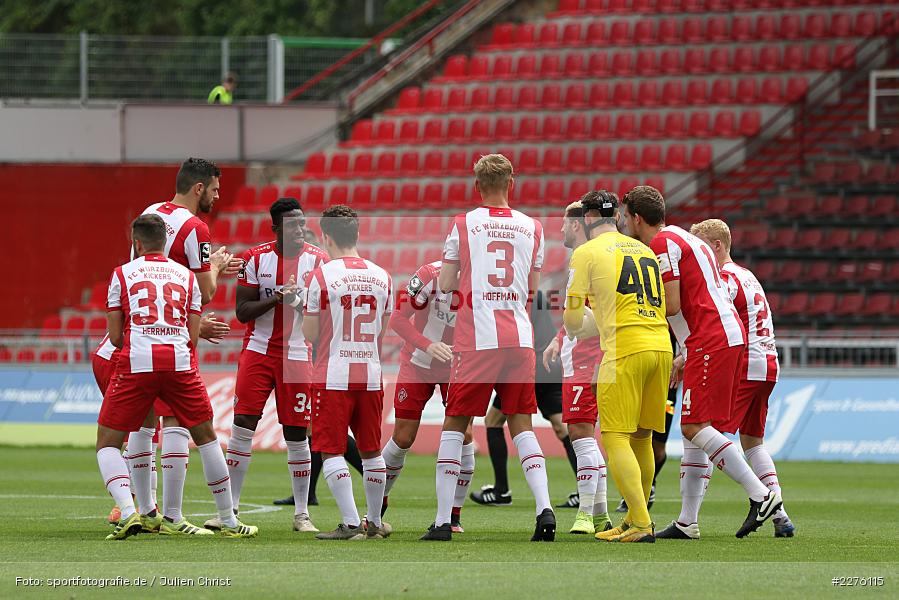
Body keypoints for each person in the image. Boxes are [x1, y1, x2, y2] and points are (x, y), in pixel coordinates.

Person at [622, 185, 782, 540]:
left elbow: (674, 304)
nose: (623, 222)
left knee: (694, 426)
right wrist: (686, 353)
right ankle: (687, 522)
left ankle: (761, 496)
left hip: (711, 338)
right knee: (696, 431)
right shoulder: (683, 237)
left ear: (636, 217)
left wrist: (634, 311)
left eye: (624, 216)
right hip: (718, 336)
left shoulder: (663, 244)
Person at [92, 157, 238, 533]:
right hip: (172, 339)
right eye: (216, 190)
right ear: (199, 188)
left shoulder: (151, 211)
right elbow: (204, 291)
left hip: (134, 335)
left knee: (141, 425)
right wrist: (218, 266)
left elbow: (139, 270)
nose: (218, 197)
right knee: (179, 423)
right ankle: (171, 514)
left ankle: (144, 510)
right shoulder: (196, 228)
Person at [421, 154, 554, 542]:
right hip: (519, 338)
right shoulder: (534, 228)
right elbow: (531, 290)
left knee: (456, 424)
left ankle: (444, 521)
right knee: (522, 425)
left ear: (476, 185)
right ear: (512, 183)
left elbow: (445, 284)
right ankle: (544, 509)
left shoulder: (463, 224)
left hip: (476, 340)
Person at [202, 198, 327, 534]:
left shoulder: (319, 261)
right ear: (276, 228)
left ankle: (302, 514)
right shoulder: (256, 258)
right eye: (292, 224)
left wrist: (298, 301)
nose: (300, 229)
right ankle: (232, 509)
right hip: (258, 351)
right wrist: (276, 297)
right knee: (243, 424)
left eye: (302, 223)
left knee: (297, 432)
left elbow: (325, 315)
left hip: (298, 354)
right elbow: (242, 312)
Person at [563, 190, 672, 543]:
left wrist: (588, 324)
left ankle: (640, 522)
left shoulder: (586, 253)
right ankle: (633, 518)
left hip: (624, 351)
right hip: (660, 348)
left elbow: (572, 318)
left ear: (589, 219)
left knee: (614, 438)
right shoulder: (643, 249)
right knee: (642, 437)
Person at [689, 219, 795, 538]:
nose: (697, 257)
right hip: (768, 362)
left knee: (705, 433)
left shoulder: (724, 278)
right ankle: (781, 516)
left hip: (745, 363)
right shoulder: (747, 275)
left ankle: (689, 519)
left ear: (717, 246)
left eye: (702, 248)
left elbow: (722, 320)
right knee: (753, 443)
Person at [303, 205, 393, 541]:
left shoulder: (321, 276)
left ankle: (351, 522)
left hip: (333, 373)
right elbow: (382, 329)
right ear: (356, 234)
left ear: (325, 237)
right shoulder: (382, 276)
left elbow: (310, 334)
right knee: (371, 450)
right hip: (370, 373)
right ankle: (373, 522)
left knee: (331, 449)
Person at [381, 259, 474, 533]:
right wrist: (428, 344)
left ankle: (453, 516)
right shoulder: (426, 276)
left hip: (458, 367)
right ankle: (376, 509)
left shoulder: (481, 280)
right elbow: (397, 319)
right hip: (417, 364)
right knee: (403, 438)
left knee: (465, 435)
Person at [469, 290, 579, 509]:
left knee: (493, 421)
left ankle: (502, 491)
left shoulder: (509, 294)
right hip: (552, 364)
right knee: (562, 426)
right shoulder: (538, 293)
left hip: (528, 365)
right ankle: (585, 490)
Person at [542, 200, 609, 535]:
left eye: (565, 224)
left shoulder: (587, 257)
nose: (560, 230)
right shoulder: (599, 255)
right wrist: (559, 337)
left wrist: (575, 333)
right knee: (591, 437)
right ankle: (600, 514)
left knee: (581, 433)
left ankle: (584, 513)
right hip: (589, 355)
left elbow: (594, 313)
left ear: (580, 224)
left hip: (586, 358)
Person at [616, 331, 679, 514]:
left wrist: (682, 356)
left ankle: (649, 484)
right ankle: (636, 493)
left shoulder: (671, 312)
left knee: (658, 448)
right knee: (633, 438)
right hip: (636, 376)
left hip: (666, 386)